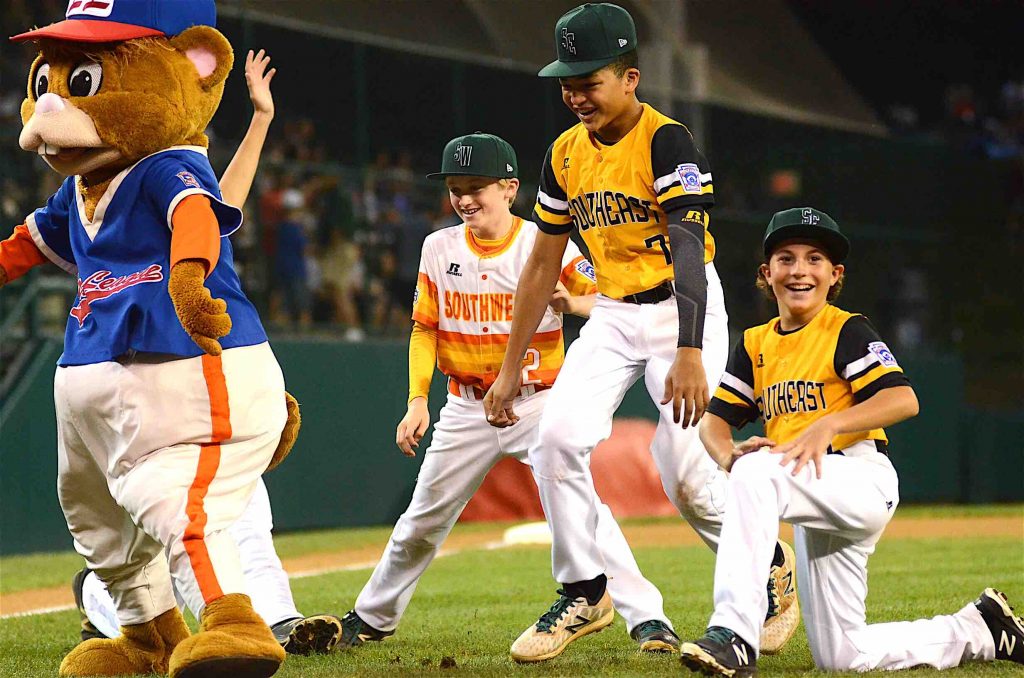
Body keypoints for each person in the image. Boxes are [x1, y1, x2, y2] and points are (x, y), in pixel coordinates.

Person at [483, 3, 798, 661]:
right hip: (614, 312)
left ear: (630, 77)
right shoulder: (564, 153)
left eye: (588, 80)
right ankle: (586, 590)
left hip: (684, 307)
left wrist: (687, 349)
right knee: (556, 441)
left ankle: (768, 562)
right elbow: (542, 263)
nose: (575, 94)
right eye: (567, 82)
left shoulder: (667, 141)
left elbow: (688, 245)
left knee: (683, 473)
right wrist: (511, 367)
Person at [335, 132, 684, 658]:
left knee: (585, 510)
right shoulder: (439, 246)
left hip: (538, 401)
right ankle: (371, 618)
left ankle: (648, 620)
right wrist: (415, 399)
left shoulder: (545, 243)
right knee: (422, 518)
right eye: (455, 188)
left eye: (476, 186)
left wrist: (576, 303)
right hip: (466, 406)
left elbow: (609, 300)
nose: (464, 198)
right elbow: (424, 328)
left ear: (511, 188)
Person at [68, 49, 343, 656]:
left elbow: (226, 197)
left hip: (208, 385)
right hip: (149, 389)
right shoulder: (123, 209)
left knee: (246, 514)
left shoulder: (192, 210)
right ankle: (98, 599)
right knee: (158, 541)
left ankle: (277, 621)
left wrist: (261, 120)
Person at [678, 207, 1024, 675]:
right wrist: (728, 454)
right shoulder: (756, 344)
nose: (800, 270)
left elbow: (904, 399)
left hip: (861, 479)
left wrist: (829, 424)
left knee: (758, 471)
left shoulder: (845, 329)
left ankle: (735, 635)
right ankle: (980, 629)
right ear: (767, 273)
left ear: (834, 274)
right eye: (786, 258)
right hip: (811, 491)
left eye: (815, 259)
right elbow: (713, 423)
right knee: (842, 655)